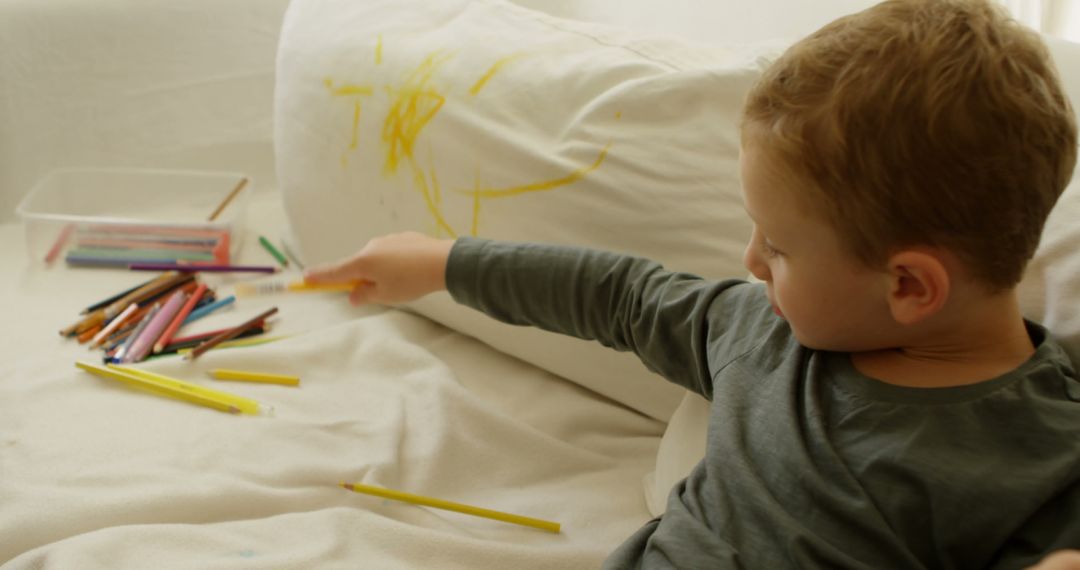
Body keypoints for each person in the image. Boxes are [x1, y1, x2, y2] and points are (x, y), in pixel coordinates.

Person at [305, 0, 1079, 567]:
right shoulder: (762, 333)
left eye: (776, 248)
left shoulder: (1046, 451)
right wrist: (441, 263)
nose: (749, 262)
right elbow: (618, 295)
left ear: (908, 286)